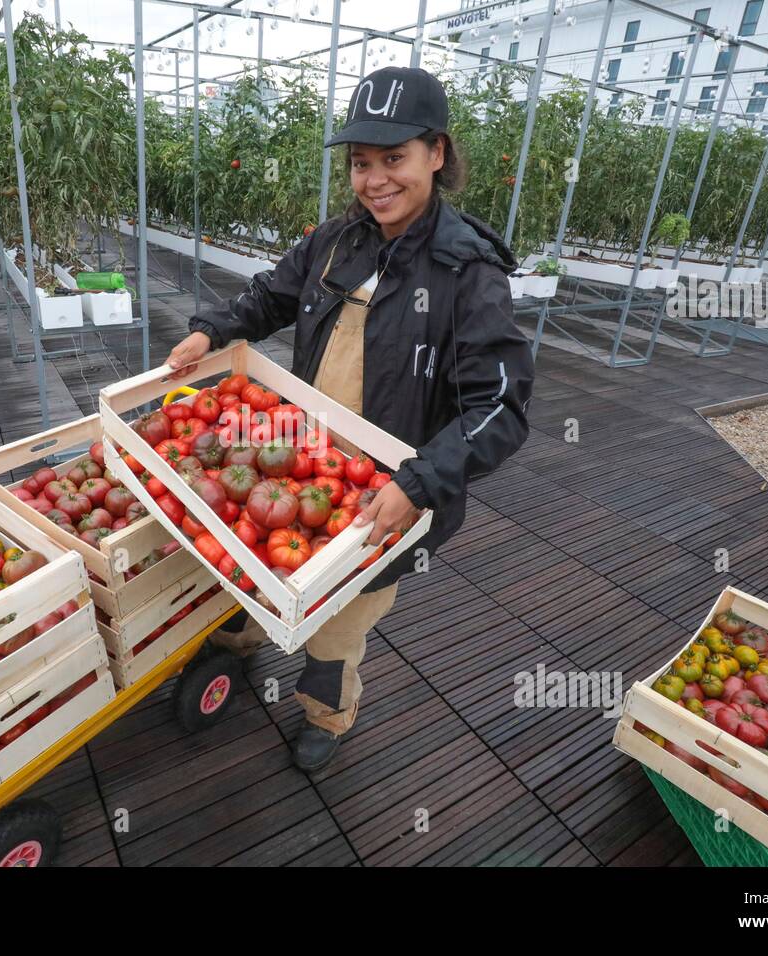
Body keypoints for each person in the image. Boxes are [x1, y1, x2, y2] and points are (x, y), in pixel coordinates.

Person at [167, 66, 535, 773]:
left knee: (337, 621)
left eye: (393, 159)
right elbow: (270, 296)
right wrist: (210, 333)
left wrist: (421, 482)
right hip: (302, 456)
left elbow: (500, 407)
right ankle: (242, 641)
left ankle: (328, 715)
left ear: (436, 152)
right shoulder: (339, 241)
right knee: (256, 568)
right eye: (361, 163)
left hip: (384, 492)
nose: (375, 180)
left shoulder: (468, 272)